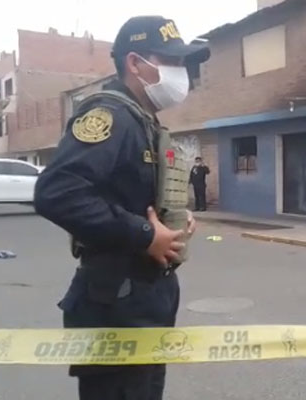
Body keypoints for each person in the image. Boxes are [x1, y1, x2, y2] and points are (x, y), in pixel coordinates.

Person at [33, 16, 210, 400]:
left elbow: (128, 195)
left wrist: (171, 220)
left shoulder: (142, 120)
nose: (181, 73)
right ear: (135, 63)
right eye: (171, 61)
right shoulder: (110, 116)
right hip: (117, 303)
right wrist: (145, 235)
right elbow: (57, 192)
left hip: (143, 300)